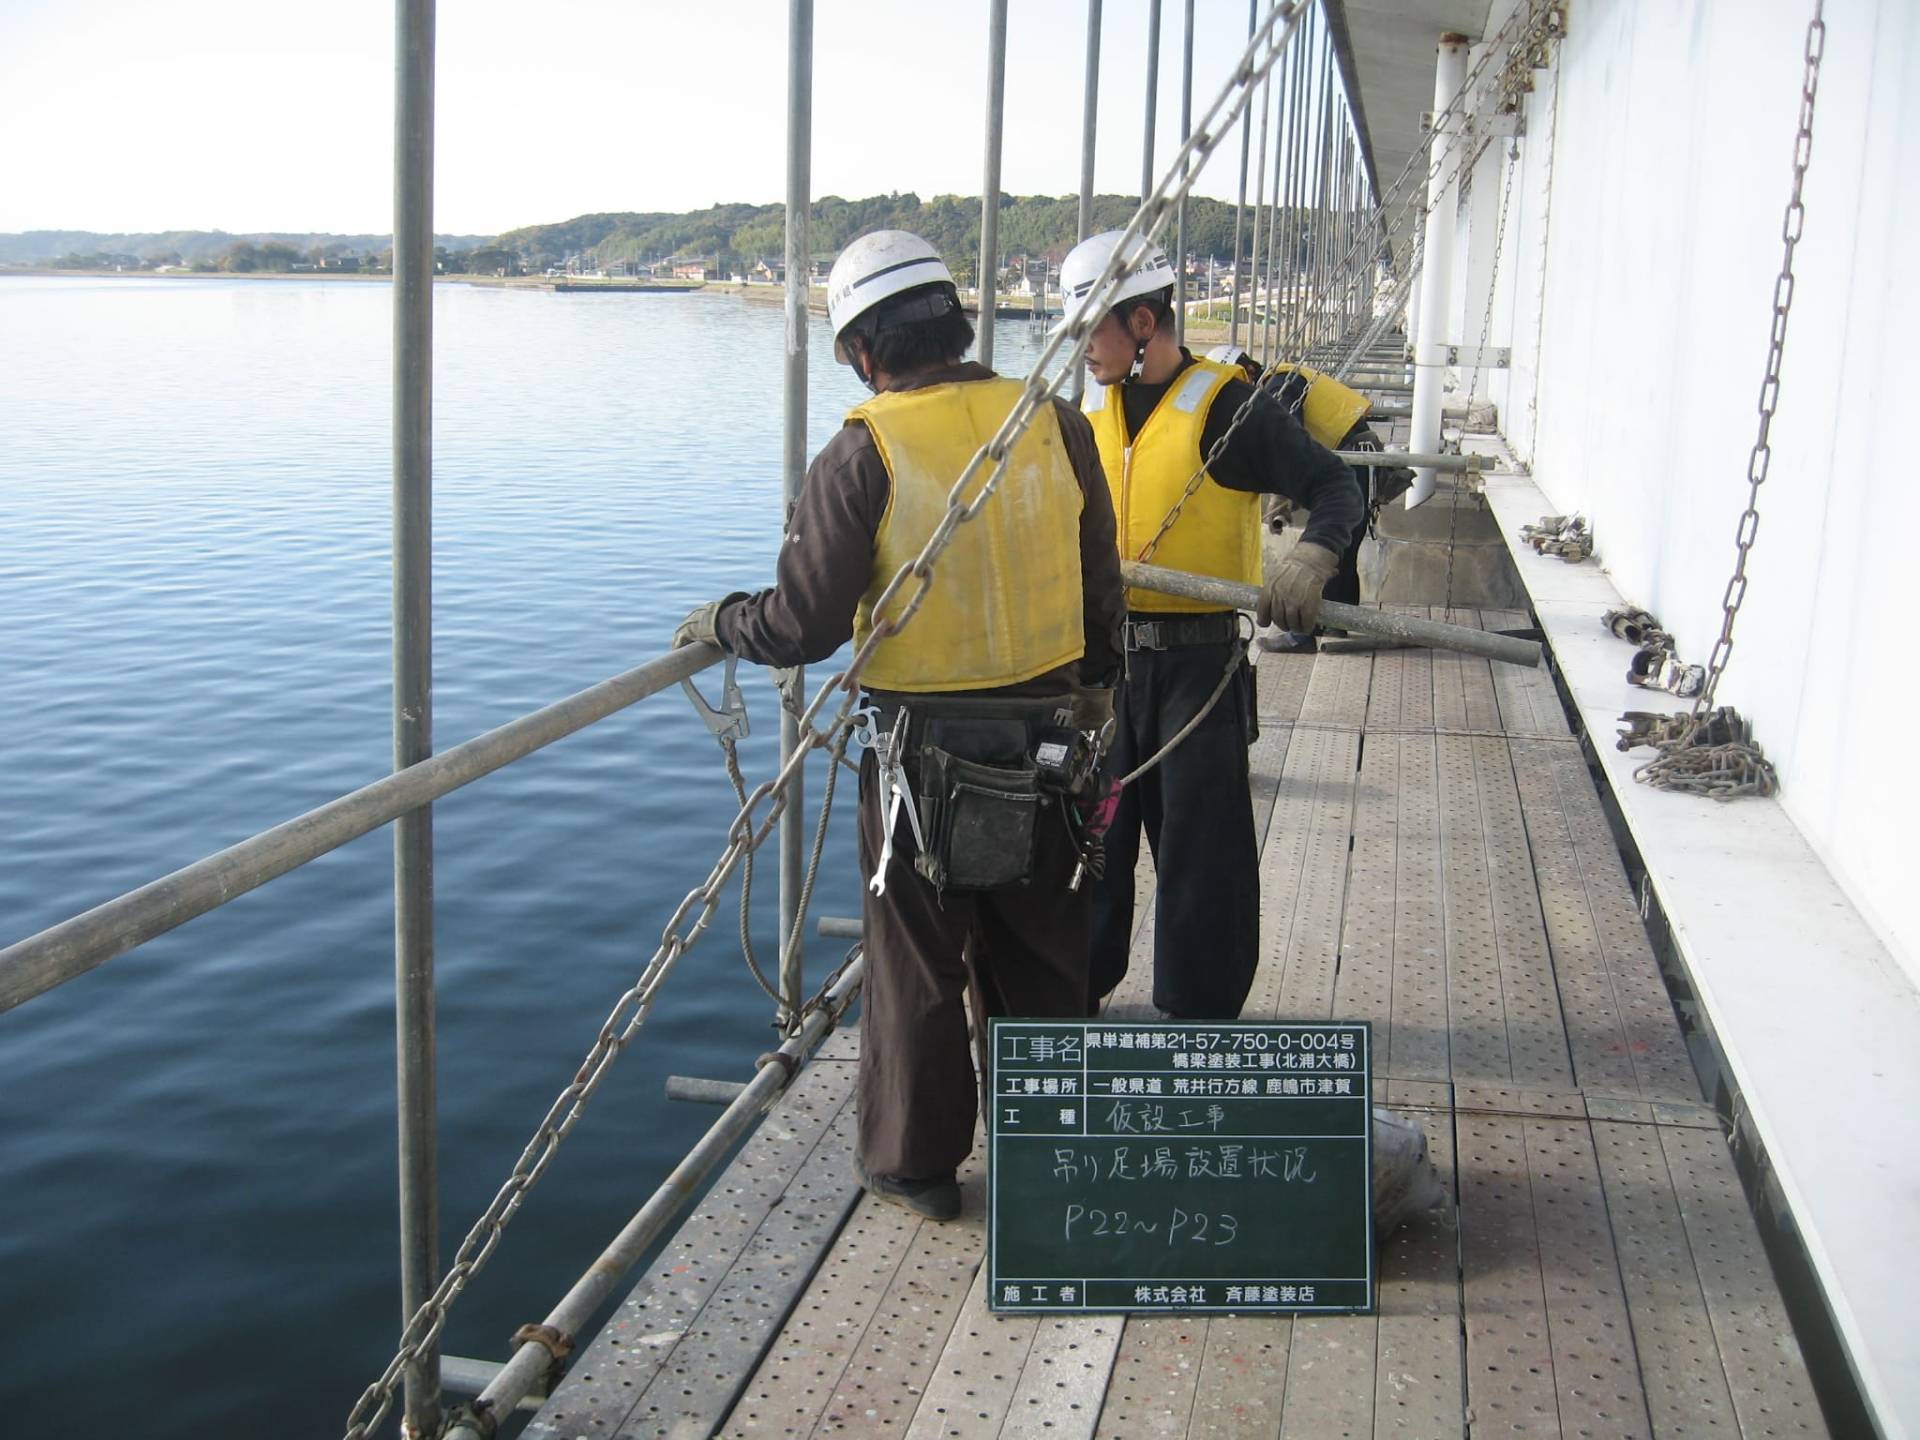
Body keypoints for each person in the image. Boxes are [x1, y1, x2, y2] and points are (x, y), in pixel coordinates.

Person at [673, 230, 1126, 1222]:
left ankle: (916, 1165)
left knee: (921, 959)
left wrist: (724, 621)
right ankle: (1054, 1140)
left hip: (926, 755)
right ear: (957, 324)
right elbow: (1103, 586)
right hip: (1054, 733)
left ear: (865, 349)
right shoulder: (1051, 421)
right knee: (1044, 947)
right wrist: (1098, 694)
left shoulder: (863, 450)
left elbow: (801, 627)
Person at [1056, 231, 1363, 1020]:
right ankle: (1073, 1002)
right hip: (1108, 669)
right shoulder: (1087, 408)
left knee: (1203, 858)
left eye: (1095, 328)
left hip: (1200, 669)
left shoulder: (1227, 405)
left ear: (1146, 323)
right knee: (1089, 846)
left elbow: (1333, 486)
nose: (1083, 347)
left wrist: (1311, 558)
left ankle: (1198, 1021)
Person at [1249, 358, 1415, 652]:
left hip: (1351, 459)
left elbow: (1287, 439)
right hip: (1357, 459)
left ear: (1248, 374)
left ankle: (1301, 634)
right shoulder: (1290, 375)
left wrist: (1282, 495)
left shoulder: (1280, 383)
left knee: (1322, 548)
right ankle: (1336, 626)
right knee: (1343, 547)